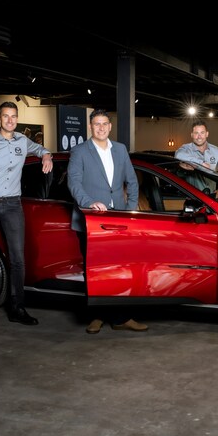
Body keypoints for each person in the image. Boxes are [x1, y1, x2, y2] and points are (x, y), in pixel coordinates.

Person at [0, 101, 53, 327]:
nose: (10, 120)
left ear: (17, 119)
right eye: (5, 116)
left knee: (18, 260)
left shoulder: (23, 141)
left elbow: (40, 149)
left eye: (13, 116)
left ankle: (17, 309)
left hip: (13, 206)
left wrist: (46, 155)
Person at [67, 109, 148, 334]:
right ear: (90, 127)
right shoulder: (80, 151)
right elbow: (74, 183)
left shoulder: (120, 149)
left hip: (118, 220)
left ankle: (121, 318)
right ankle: (96, 316)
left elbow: (132, 181)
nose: (101, 128)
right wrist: (89, 202)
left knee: (119, 270)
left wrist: (130, 209)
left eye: (104, 124)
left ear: (110, 127)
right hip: (91, 220)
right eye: (97, 124)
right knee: (94, 271)